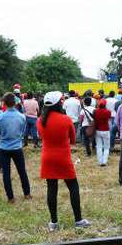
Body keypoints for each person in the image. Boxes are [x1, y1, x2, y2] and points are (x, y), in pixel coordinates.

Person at [38, 91, 90, 230]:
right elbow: (73, 140)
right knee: (73, 187)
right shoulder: (66, 119)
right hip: (63, 157)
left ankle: (53, 222)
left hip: (47, 157)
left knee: (51, 189)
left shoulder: (40, 121)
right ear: (58, 103)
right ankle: (78, 220)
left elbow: (41, 136)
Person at [0, 93, 31, 203]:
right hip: (17, 147)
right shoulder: (21, 116)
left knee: (6, 173)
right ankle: (27, 193)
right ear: (15, 103)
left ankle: (10, 197)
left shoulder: (0, 116)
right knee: (22, 171)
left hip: (4, 147)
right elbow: (23, 131)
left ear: (4, 103)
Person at [94, 99, 112, 166]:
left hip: (97, 130)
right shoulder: (108, 112)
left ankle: (99, 161)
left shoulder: (95, 111)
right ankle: (104, 161)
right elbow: (109, 119)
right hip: (106, 130)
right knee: (106, 147)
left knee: (99, 146)